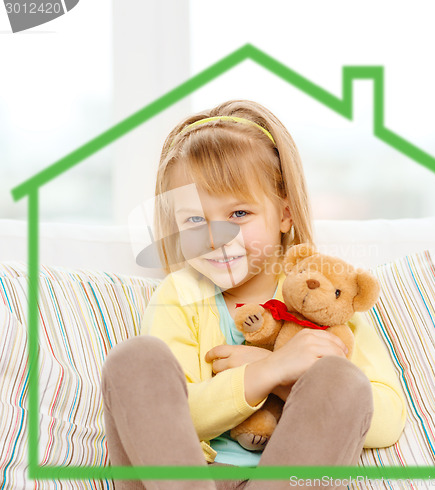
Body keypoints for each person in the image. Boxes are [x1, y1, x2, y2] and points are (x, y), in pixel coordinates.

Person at [100, 100, 407, 490]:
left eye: (239, 214)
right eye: (194, 220)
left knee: (342, 379)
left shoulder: (323, 296)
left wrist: (282, 376)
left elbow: (385, 418)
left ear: (284, 214)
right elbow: (172, 415)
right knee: (135, 360)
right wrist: (262, 373)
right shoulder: (179, 295)